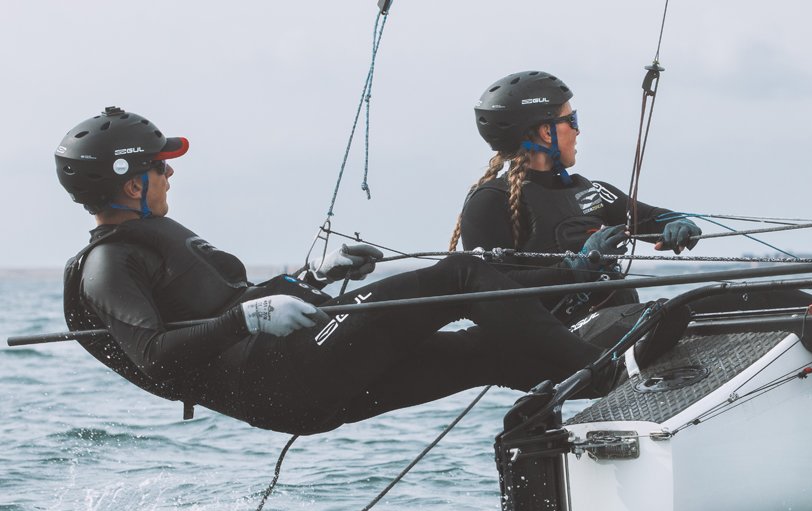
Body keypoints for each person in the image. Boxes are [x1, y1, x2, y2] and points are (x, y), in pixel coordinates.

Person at [56, 107, 623, 436]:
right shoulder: (107, 266)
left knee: (488, 354)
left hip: (294, 381)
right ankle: (611, 377)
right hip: (283, 375)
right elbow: (154, 353)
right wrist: (249, 319)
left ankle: (609, 347)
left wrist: (314, 276)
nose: (169, 177)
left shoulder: (148, 241)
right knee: (459, 275)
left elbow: (232, 301)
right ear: (132, 183)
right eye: (159, 167)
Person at [449, 71, 703, 325]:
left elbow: (652, 219)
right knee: (671, 315)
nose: (578, 131)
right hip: (554, 342)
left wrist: (678, 225)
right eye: (572, 120)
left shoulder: (591, 190)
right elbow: (492, 290)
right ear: (547, 132)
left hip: (618, 326)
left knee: (713, 302)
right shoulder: (490, 201)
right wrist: (576, 267)